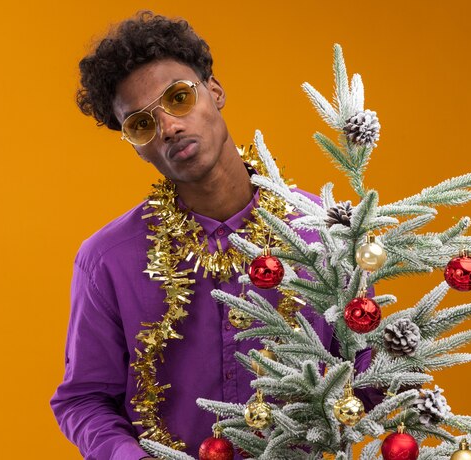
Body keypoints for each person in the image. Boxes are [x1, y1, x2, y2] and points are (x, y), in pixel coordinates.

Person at [51, 11, 381, 460]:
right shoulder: (107, 260)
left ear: (215, 91)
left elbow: (371, 374)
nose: (169, 127)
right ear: (134, 143)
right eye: (142, 125)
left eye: (179, 98)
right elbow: (84, 399)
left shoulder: (325, 233)